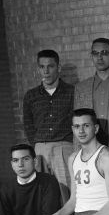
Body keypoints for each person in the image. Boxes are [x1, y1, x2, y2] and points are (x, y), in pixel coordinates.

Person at [23, 49, 75, 202]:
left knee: (66, 191)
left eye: (50, 66)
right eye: (42, 67)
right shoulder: (31, 95)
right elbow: (28, 124)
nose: (46, 71)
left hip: (64, 147)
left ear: (58, 68)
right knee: (43, 194)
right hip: (41, 149)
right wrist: (36, 145)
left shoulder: (71, 92)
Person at [74, 38, 109, 156]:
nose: (99, 57)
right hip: (91, 151)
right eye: (95, 53)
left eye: (104, 53)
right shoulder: (81, 87)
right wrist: (78, 153)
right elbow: (78, 122)